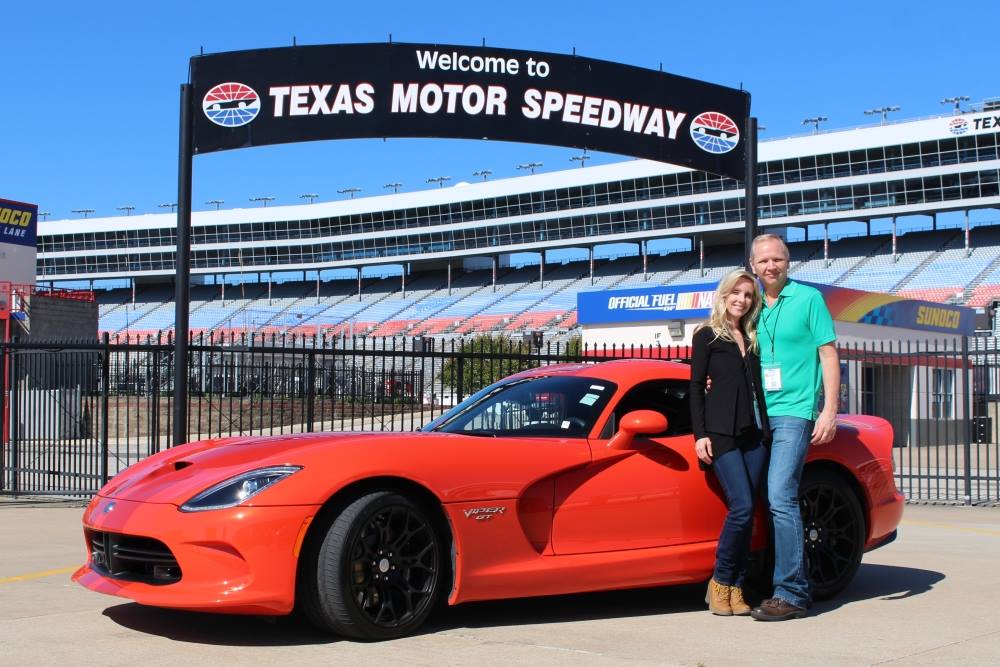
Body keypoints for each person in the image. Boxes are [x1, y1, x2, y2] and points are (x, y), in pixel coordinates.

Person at [748, 233, 840, 622]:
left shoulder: (809, 299)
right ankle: (761, 580)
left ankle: (793, 592)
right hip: (753, 414)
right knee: (752, 499)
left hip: (793, 411)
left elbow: (829, 353)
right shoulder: (750, 306)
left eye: (778, 259)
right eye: (764, 261)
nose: (771, 266)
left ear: (788, 262)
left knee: (780, 496)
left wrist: (829, 409)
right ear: (753, 266)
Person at [690, 269, 771, 616]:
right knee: (740, 508)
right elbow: (695, 387)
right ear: (724, 295)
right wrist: (700, 435)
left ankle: (736, 588)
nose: (742, 299)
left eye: (748, 295)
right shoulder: (706, 334)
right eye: (736, 293)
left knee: (749, 512)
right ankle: (720, 581)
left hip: (754, 434)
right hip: (722, 433)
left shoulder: (752, 337)